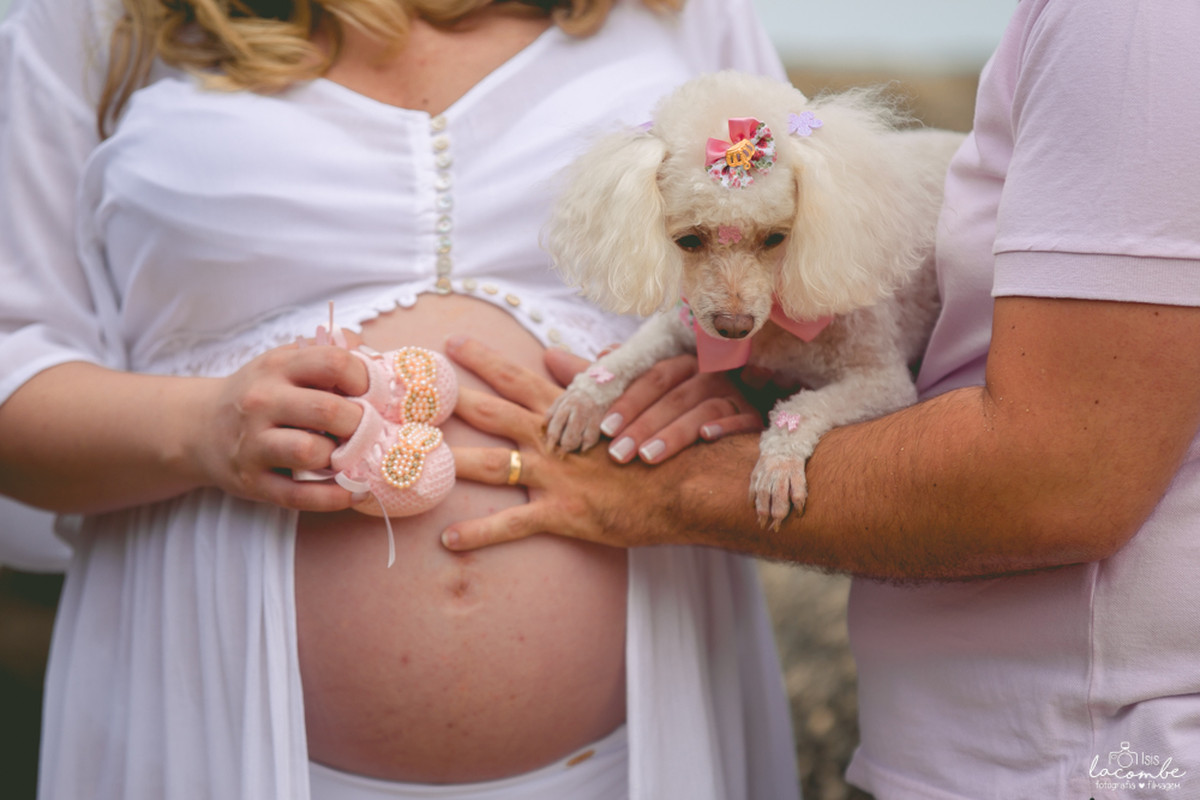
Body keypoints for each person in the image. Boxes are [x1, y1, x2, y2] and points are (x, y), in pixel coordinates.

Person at [0, 0, 802, 798]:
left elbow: (812, 290)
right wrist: (202, 430)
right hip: (205, 734)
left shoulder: (681, 13)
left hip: (641, 748)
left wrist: (732, 380)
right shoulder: (98, 18)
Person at [443, 0, 1200, 796]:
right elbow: (682, 326)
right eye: (691, 241)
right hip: (955, 743)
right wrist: (608, 379)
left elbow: (1055, 467)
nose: (733, 300)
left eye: (770, 240)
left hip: (1093, 759)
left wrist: (690, 477)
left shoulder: (1136, 23)